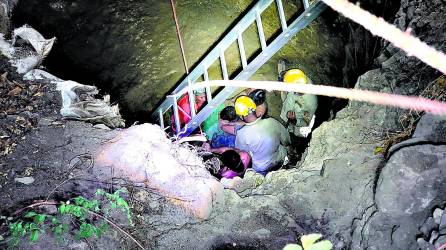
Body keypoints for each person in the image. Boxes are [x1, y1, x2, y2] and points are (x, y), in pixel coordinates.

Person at [234, 96, 290, 176]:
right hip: (279, 159)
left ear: (240, 115)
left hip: (261, 167)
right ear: (254, 108)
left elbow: (243, 155)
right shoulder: (272, 122)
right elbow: (286, 139)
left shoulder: (242, 134)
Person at [279, 69, 318, 138]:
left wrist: (294, 120)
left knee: (295, 132)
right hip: (290, 104)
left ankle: (292, 135)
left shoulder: (310, 104)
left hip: (296, 119)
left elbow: (305, 122)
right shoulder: (301, 78)